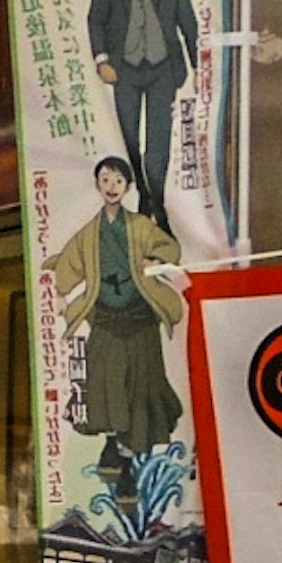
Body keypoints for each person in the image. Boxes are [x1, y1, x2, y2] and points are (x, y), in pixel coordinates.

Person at [46, 156, 186, 472]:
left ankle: (127, 451)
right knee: (104, 378)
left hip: (139, 313)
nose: (111, 187)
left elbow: (169, 248)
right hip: (106, 314)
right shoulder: (89, 233)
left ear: (127, 187)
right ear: (97, 184)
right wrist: (61, 292)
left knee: (140, 379)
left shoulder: (139, 226)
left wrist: (154, 259)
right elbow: (70, 261)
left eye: (118, 181)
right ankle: (111, 440)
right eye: (106, 180)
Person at [85, 0, 201, 239]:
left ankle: (159, 208)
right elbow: (96, 20)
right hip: (126, 70)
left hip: (164, 67)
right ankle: (145, 199)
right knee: (129, 139)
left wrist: (199, 68)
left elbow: (188, 23)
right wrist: (102, 60)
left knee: (159, 141)